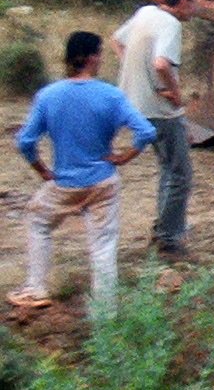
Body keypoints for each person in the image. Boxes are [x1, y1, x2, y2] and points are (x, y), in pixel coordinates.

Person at [10, 32, 155, 312]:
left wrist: (42, 169)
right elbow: (146, 132)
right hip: (103, 180)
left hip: (65, 182)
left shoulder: (48, 96)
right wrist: (126, 156)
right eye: (99, 54)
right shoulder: (112, 95)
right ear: (90, 57)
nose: (101, 59)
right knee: (103, 245)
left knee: (38, 221)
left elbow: (25, 141)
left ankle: (35, 287)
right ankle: (105, 313)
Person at [112, 0, 197, 259]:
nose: (193, 9)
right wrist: (173, 91)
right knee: (181, 173)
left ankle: (164, 228)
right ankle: (169, 240)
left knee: (168, 169)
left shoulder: (146, 12)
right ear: (183, 0)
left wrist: (136, 73)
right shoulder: (171, 24)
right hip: (158, 109)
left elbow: (117, 41)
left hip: (133, 104)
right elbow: (161, 63)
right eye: (193, 1)